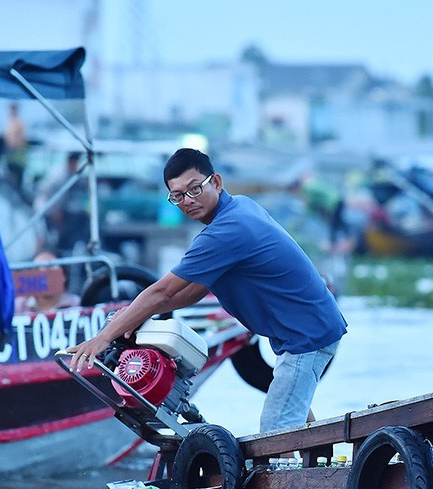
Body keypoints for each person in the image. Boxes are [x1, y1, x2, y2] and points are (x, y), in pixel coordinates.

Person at [67, 148, 347, 433]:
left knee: (276, 431)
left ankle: (295, 475)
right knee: (290, 408)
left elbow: (161, 291)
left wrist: (103, 338)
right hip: (304, 331)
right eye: (177, 196)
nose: (187, 201)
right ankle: (321, 466)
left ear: (216, 182)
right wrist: (135, 316)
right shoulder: (239, 207)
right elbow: (194, 291)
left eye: (194, 189)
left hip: (307, 337)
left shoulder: (225, 232)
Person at [34, 151, 87, 257]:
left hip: (55, 209)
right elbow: (45, 193)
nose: (76, 165)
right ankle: (37, 258)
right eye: (75, 162)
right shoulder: (58, 175)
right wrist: (54, 212)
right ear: (70, 162)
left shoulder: (71, 174)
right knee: (42, 236)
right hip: (45, 207)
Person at [2, 102, 28, 190]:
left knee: (16, 178)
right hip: (9, 154)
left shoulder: (19, 123)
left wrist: (15, 147)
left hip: (17, 155)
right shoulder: (9, 122)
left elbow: (21, 139)